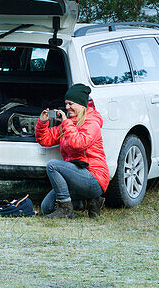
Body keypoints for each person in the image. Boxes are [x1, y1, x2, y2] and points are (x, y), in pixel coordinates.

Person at [34, 83, 109, 218]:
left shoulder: (92, 123)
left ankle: (65, 208)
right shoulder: (69, 123)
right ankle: (89, 202)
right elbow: (44, 140)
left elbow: (78, 144)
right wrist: (42, 122)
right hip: (76, 177)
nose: (67, 107)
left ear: (82, 105)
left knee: (53, 166)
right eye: (66, 104)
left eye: (71, 104)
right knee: (47, 208)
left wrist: (66, 122)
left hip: (93, 178)